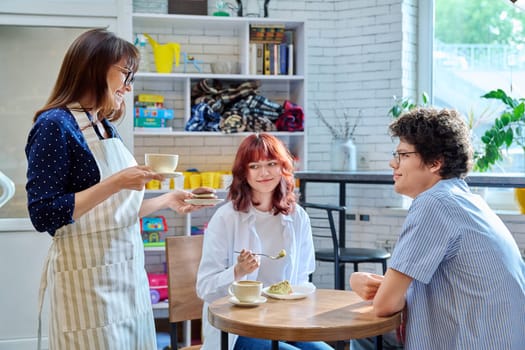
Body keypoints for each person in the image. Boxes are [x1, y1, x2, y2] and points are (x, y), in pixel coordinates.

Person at [26, 28, 210, 350]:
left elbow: (114, 213)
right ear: (93, 67)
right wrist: (116, 182)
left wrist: (167, 199)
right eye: (125, 73)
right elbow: (44, 214)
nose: (128, 86)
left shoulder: (102, 124)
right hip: (87, 281)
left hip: (128, 274)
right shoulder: (54, 125)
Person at [350, 108, 525, 349]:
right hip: (502, 339)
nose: (393, 163)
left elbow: (385, 305)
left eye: (402, 155)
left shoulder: (434, 203)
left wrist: (363, 283)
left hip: (472, 342)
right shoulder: (465, 199)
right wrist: (382, 288)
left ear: (435, 162)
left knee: (361, 329)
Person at [196, 133, 333, 350]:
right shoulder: (226, 218)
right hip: (237, 329)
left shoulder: (297, 216)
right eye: (254, 166)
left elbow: (302, 278)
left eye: (271, 163)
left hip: (285, 322)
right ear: (243, 173)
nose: (265, 172)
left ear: (282, 168)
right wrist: (237, 271)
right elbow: (205, 289)